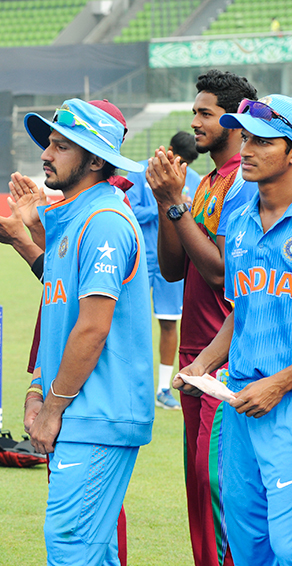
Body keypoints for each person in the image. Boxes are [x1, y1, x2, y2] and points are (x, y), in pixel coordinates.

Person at [19, 98, 154, 565]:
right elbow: (57, 320)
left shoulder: (104, 223)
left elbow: (92, 329)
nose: (45, 155)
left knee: (71, 548)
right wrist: (38, 388)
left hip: (98, 414)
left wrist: (52, 408)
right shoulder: (73, 219)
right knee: (90, 552)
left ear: (95, 160)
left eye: (60, 146)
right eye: (49, 144)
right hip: (81, 412)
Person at [147, 69, 258, 566]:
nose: (194, 121)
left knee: (216, 482)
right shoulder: (207, 181)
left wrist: (175, 206)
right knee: (198, 485)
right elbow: (173, 268)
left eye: (205, 113)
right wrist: (165, 200)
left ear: (234, 121)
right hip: (194, 353)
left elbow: (219, 275)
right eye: (194, 111)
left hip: (224, 355)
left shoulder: (242, 183)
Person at [178, 93, 292, 565]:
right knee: (247, 544)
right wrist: (201, 365)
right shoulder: (238, 219)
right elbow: (240, 311)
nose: (246, 149)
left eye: (263, 140)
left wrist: (281, 382)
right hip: (242, 402)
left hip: (285, 404)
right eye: (245, 137)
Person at [125, 131, 201, 410]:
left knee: (169, 322)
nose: (182, 168)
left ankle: (162, 389)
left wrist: (183, 209)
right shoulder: (138, 171)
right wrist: (165, 204)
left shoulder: (193, 181)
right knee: (131, 320)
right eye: (179, 160)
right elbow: (129, 209)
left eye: (187, 163)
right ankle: (131, 384)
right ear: (168, 150)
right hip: (140, 258)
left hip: (172, 262)